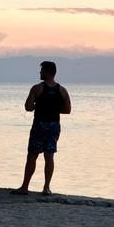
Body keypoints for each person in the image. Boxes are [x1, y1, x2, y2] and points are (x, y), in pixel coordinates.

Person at [13, 60, 71, 196]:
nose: (39, 73)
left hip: (40, 124)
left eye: (41, 70)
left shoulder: (37, 88)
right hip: (54, 125)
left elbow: (27, 107)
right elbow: (67, 110)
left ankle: (24, 187)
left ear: (47, 72)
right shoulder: (62, 90)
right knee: (49, 156)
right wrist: (54, 109)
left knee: (32, 155)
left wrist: (36, 106)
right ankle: (46, 188)